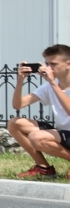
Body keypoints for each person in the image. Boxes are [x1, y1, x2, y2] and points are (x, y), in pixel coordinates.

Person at [6, 45, 70, 178]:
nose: (48, 68)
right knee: (14, 123)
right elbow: (18, 105)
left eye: (53, 64)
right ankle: (44, 168)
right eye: (47, 63)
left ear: (68, 64)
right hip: (62, 133)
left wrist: (53, 83)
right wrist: (20, 80)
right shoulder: (49, 85)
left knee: (37, 137)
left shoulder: (52, 84)